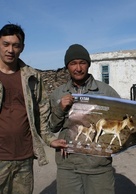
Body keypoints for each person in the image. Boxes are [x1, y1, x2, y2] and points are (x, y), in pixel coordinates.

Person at [0, 23, 66, 194]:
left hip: (24, 156)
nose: (10, 50)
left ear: (22, 47)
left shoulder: (32, 77)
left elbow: (42, 112)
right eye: (5, 44)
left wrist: (50, 139)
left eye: (15, 45)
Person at [49, 44, 121, 194]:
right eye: (73, 63)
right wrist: (60, 108)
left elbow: (120, 122)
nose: (78, 68)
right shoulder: (58, 93)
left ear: (88, 64)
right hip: (68, 165)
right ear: (67, 67)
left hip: (98, 166)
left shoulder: (106, 91)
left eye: (82, 62)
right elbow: (53, 127)